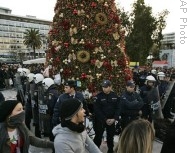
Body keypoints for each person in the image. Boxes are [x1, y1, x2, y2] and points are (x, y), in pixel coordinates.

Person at [93, 80, 120, 153]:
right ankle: (95, 150)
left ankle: (110, 150)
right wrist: (105, 119)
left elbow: (118, 108)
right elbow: (97, 110)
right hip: (101, 120)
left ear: (110, 87)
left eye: (106, 87)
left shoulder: (115, 96)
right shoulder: (98, 97)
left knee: (110, 136)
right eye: (103, 87)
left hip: (111, 120)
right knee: (98, 136)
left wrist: (114, 118)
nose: (104, 89)